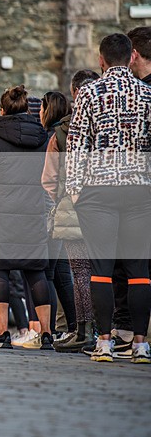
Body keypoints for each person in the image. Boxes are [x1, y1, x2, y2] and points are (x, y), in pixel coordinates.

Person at [66, 33, 151, 364]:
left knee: (100, 269)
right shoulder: (146, 94)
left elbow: (77, 144)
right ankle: (141, 343)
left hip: (98, 191)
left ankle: (104, 342)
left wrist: (75, 191)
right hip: (139, 191)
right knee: (139, 269)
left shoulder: (89, 92)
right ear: (131, 57)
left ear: (101, 60)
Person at [0, 86, 53, 350]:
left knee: (0, 270)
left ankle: (2, 333)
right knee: (36, 271)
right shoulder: (42, 137)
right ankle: (46, 333)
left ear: (2, 110)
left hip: (0, 214)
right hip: (32, 212)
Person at [41, 79, 98, 354]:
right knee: (108, 270)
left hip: (74, 206)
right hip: (109, 205)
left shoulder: (64, 133)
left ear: (77, 93)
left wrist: (62, 201)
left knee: (80, 271)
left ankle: (85, 330)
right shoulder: (109, 125)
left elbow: (49, 180)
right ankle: (114, 333)